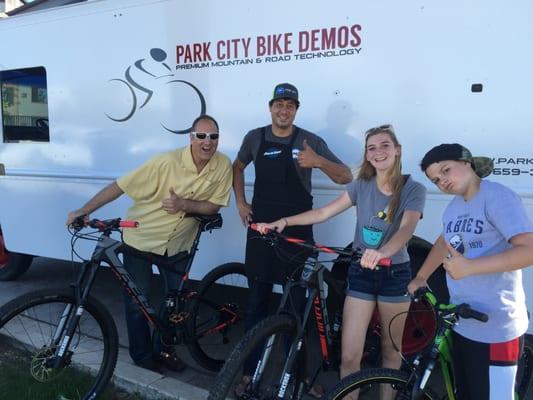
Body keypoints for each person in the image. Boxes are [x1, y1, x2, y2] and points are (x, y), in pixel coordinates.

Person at [257, 124, 426, 400]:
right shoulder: (361, 185)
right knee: (349, 357)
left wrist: (383, 252)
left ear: (398, 150)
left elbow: (407, 229)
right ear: (367, 155)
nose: (378, 151)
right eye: (372, 147)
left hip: (394, 273)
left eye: (385, 145)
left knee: (390, 351)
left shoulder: (413, 188)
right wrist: (284, 222)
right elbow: (325, 211)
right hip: (361, 272)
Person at [66, 115, 232, 373]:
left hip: (179, 244)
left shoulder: (222, 165)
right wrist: (83, 210)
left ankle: (163, 350)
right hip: (142, 240)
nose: (207, 142)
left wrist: (184, 205)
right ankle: (142, 357)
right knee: (137, 302)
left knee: (174, 304)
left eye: (213, 136)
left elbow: (214, 206)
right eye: (201, 136)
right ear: (191, 138)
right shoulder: (165, 162)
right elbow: (120, 186)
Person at [233, 82, 352, 396]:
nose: (283, 110)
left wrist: (319, 162)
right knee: (256, 305)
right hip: (261, 231)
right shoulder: (255, 137)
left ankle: (297, 378)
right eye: (279, 104)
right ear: (270, 107)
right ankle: (248, 372)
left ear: (296, 109)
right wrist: (241, 203)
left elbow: (346, 176)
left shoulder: (310, 141)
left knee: (297, 308)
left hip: (297, 232)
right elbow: (237, 166)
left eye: (290, 105)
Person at [408, 143, 533, 400]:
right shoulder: (453, 207)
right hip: (463, 324)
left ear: (466, 162)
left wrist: (471, 267)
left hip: (496, 327)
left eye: (446, 170)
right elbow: (444, 242)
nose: (442, 181)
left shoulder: (497, 196)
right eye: (436, 179)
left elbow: (528, 250)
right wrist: (421, 276)